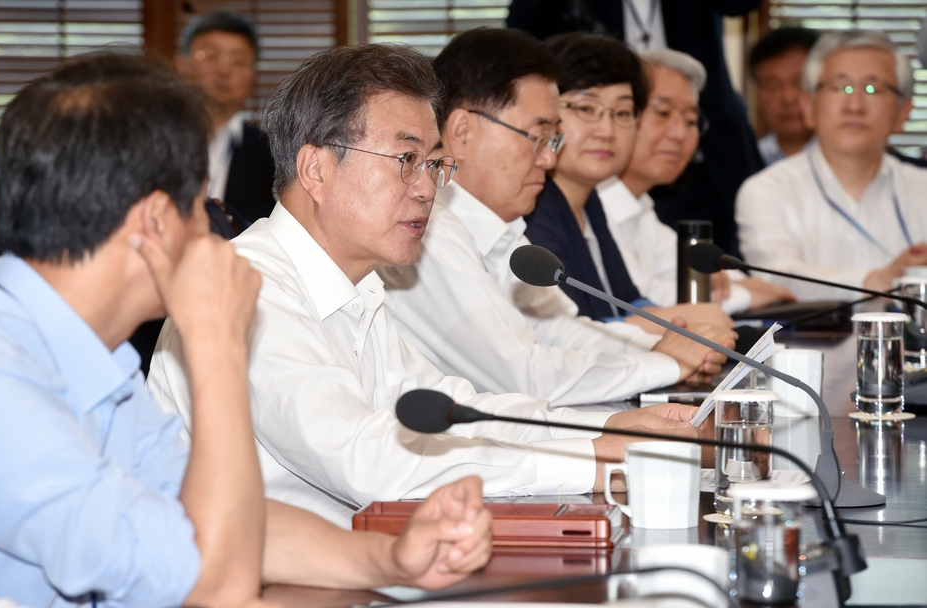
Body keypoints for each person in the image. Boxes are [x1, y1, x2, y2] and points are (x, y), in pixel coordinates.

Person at [0, 53, 491, 607]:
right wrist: (215, 344)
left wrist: (390, 559)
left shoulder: (93, 354)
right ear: (154, 223)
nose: (213, 233)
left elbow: (208, 521)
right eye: (199, 207)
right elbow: (216, 584)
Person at [148, 42, 704, 528]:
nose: (425, 189)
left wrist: (609, 425)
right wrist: (598, 457)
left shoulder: (358, 285)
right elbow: (370, 463)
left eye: (434, 165)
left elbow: (452, 408)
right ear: (316, 169)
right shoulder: (251, 286)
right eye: (405, 159)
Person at [379, 28, 734, 406]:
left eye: (553, 141)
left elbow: (560, 330)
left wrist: (667, 348)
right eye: (537, 137)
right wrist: (666, 362)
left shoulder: (507, 229)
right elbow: (521, 376)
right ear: (463, 132)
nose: (549, 160)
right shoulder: (428, 233)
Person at [523, 35, 755, 327]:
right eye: (586, 109)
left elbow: (629, 302)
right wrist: (687, 323)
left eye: (621, 113)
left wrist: (681, 322)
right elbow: (567, 334)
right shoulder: (534, 207)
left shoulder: (589, 201)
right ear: (548, 113)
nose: (606, 130)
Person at [507, 0, 765, 256]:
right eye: (587, 109)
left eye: (691, 120)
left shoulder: (629, 206)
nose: (606, 130)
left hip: (710, 178)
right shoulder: (542, 212)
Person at [736, 30, 927, 301]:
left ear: (903, 112)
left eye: (872, 88)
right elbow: (776, 278)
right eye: (841, 87)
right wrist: (878, 280)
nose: (854, 105)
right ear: (808, 106)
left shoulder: (922, 187)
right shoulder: (767, 190)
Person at [176, 11, 276, 222]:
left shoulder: (270, 153)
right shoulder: (153, 139)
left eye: (238, 61)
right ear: (181, 64)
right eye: (209, 56)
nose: (223, 70)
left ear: (253, 76)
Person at [750, 27, 820, 166]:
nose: (788, 98)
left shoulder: (849, 159)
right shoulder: (745, 164)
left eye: (800, 83)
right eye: (773, 86)